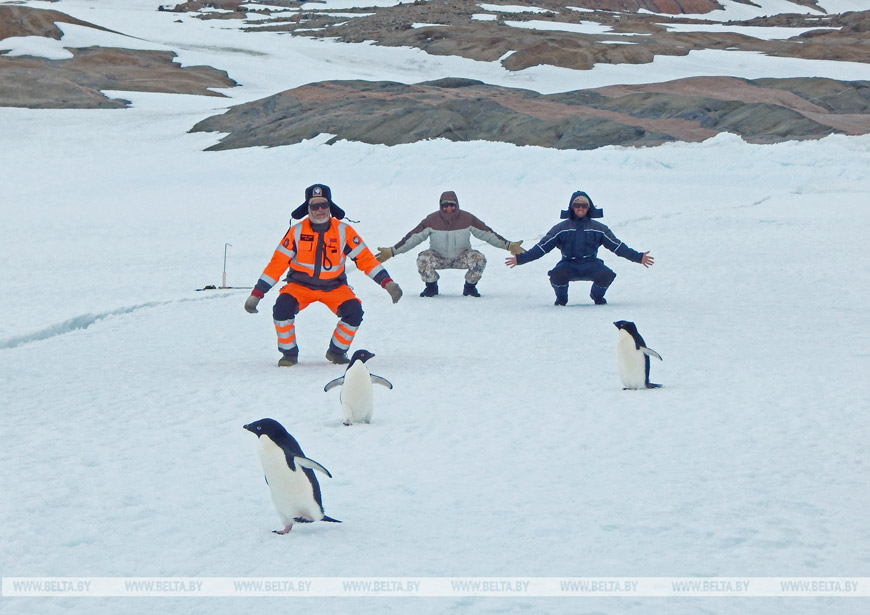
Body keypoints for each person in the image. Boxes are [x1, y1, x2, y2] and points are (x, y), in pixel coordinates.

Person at [245, 184, 403, 366]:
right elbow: (277, 264)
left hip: (335, 287)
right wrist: (256, 294)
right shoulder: (296, 232)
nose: (320, 210)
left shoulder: (344, 231)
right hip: (299, 287)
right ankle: (288, 355)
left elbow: (366, 260)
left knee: (354, 312)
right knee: (282, 308)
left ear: (330, 207)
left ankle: (337, 352)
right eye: (314, 206)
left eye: (324, 205)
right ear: (308, 208)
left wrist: (388, 283)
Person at [505, 190, 654, 305]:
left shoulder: (599, 228)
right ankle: (561, 299)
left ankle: (597, 296)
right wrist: (521, 259)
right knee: (557, 274)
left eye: (584, 205)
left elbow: (618, 247)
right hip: (568, 263)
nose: (580, 208)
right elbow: (542, 247)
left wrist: (638, 257)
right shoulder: (561, 228)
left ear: (589, 208)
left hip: (591, 264)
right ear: (572, 207)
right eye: (577, 205)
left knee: (606, 275)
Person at [376, 190, 524, 297]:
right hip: (438, 257)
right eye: (445, 206)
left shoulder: (467, 218)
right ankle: (431, 287)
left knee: (479, 259)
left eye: (452, 205)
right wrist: (392, 251)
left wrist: (509, 246)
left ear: (457, 205)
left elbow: (488, 234)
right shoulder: (431, 220)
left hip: (462, 257)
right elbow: (412, 238)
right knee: (423, 259)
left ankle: (470, 288)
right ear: (441, 206)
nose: (449, 209)